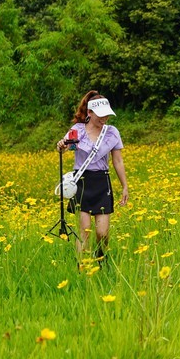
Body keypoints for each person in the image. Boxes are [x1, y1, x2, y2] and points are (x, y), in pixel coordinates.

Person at [56, 91, 128, 262]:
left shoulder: (112, 132)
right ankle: (81, 267)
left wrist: (125, 186)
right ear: (90, 113)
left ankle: (101, 262)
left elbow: (117, 161)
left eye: (107, 115)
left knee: (102, 232)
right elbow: (64, 148)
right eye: (100, 116)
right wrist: (61, 146)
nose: (104, 119)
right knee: (85, 231)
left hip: (102, 182)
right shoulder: (77, 130)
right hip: (81, 182)